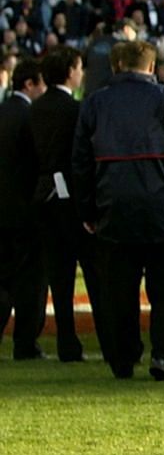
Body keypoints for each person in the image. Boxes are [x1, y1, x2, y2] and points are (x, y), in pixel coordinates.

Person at [69, 40, 164, 381]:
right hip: (163, 206)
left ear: (115, 67)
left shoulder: (96, 103)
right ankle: (162, 353)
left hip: (113, 206)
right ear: (152, 67)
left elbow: (81, 162)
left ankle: (123, 358)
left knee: (119, 289)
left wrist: (86, 209)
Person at [30, 46, 102, 361]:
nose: (82, 72)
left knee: (59, 277)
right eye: (79, 67)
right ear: (70, 71)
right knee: (95, 274)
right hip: (74, 200)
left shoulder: (33, 109)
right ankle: (110, 340)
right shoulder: (77, 110)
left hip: (44, 198)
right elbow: (84, 159)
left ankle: (66, 344)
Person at [0, 56, 47, 360]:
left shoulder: (2, 112)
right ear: (30, 84)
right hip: (26, 212)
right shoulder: (32, 118)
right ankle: (25, 342)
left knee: (2, 277)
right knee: (31, 280)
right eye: (41, 84)